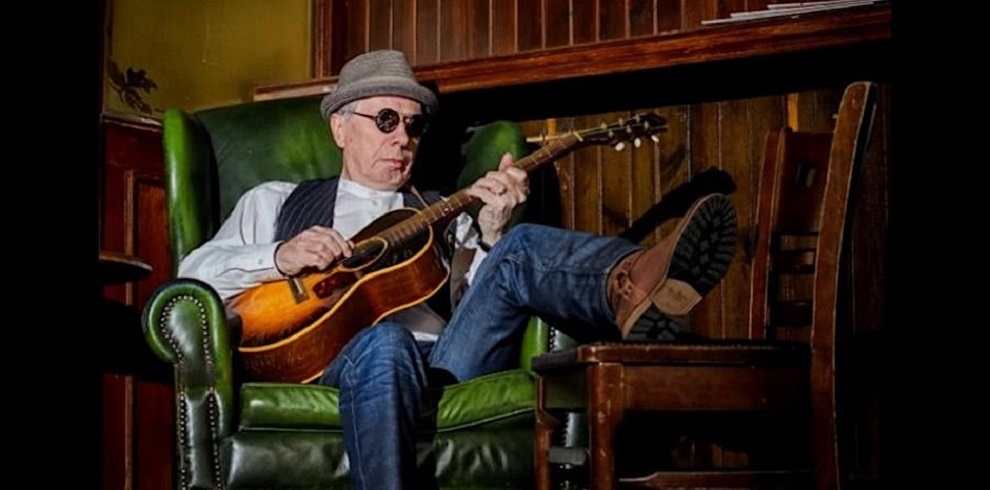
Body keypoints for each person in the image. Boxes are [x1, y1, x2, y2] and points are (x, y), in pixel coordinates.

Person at [178, 49, 738, 490]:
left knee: (516, 246)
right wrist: (279, 256)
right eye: (387, 119)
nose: (403, 138)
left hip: (445, 363)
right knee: (384, 345)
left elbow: (480, 299)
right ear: (340, 128)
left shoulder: (440, 210)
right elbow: (193, 275)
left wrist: (491, 229)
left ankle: (634, 281)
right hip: (336, 359)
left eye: (414, 126)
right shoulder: (277, 201)